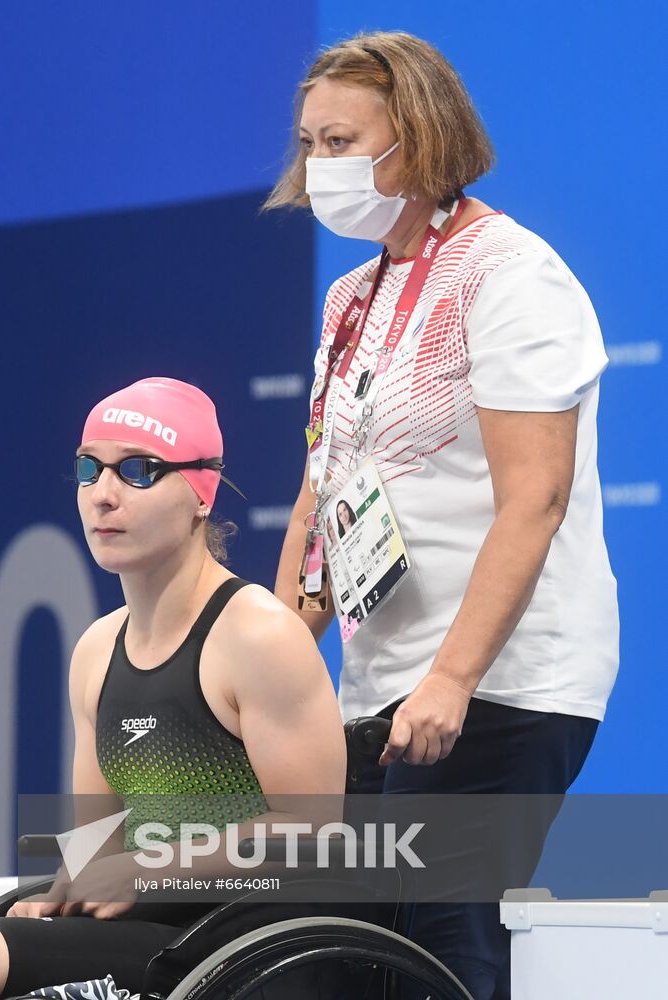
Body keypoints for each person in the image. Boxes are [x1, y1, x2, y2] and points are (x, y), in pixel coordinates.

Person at [266, 30, 619, 1000]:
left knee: (444, 932)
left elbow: (534, 496)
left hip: (499, 680)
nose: (318, 167)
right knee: (347, 941)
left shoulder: (509, 276)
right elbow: (323, 489)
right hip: (378, 687)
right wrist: (272, 653)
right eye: (308, 144)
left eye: (340, 142)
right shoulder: (348, 298)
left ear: (416, 138)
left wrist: (451, 676)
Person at [0, 377, 346, 1000]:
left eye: (137, 470)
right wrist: (61, 891)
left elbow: (314, 832)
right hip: (141, 923)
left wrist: (150, 871)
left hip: (233, 942)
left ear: (201, 492)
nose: (103, 495)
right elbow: (99, 841)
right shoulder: (98, 650)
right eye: (89, 469)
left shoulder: (258, 634)